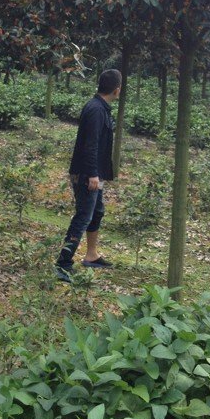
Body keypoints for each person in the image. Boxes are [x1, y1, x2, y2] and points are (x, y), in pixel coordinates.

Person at [55, 69, 121, 282]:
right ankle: (63, 264)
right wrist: (93, 174)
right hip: (87, 174)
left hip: (95, 173)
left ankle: (91, 255)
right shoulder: (96, 110)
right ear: (117, 90)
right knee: (83, 216)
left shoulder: (100, 107)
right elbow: (90, 145)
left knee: (97, 212)